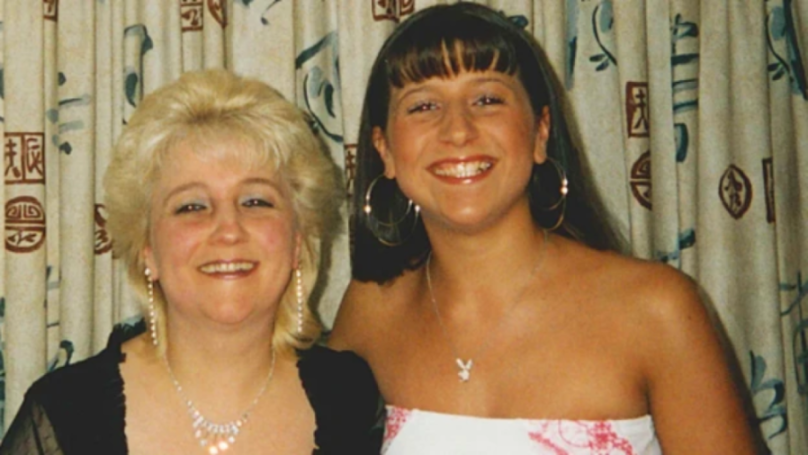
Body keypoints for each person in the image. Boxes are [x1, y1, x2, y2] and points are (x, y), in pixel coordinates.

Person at [330, 3, 762, 454]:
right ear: (385, 151)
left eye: (487, 99)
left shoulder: (657, 310)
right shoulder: (371, 311)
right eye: (423, 105)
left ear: (540, 132)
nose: (457, 130)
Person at [0, 69, 381, 454]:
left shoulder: (354, 402)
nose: (228, 229)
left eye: (256, 201)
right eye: (192, 206)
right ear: (147, 249)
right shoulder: (64, 416)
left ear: (298, 241)